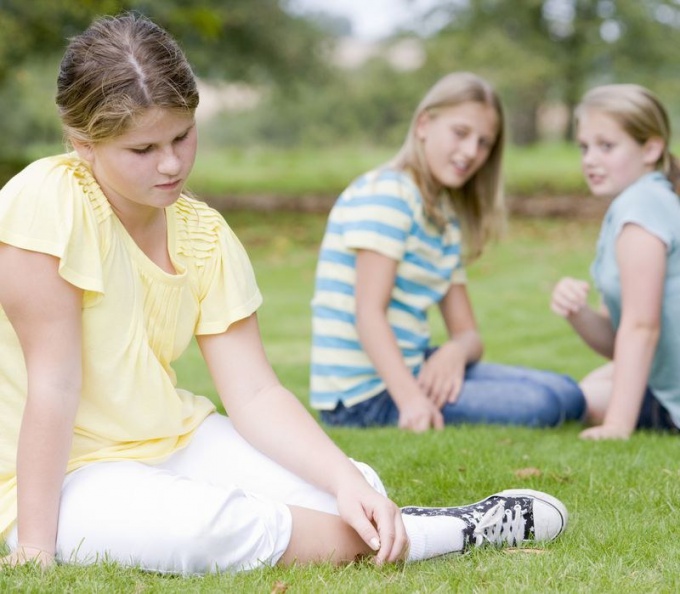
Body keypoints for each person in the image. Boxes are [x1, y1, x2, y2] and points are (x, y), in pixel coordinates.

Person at [0, 13, 569, 574]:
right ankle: (440, 531)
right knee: (202, 532)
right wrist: (35, 546)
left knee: (356, 485)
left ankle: (351, 524)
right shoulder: (48, 201)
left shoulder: (204, 233)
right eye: (143, 150)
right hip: (57, 475)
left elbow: (253, 393)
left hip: (173, 441)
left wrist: (343, 479)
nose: (172, 163)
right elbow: (54, 384)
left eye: (182, 135)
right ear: (83, 144)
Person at [310, 72, 585, 432]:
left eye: (484, 142)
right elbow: (368, 314)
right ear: (424, 124)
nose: (471, 152)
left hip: (413, 367)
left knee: (566, 392)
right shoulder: (388, 195)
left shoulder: (442, 217)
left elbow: (469, 335)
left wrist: (452, 352)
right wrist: (411, 401)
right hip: (365, 398)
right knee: (544, 404)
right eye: (461, 133)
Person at [551, 83, 680, 440]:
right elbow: (619, 335)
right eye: (584, 147)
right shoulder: (640, 200)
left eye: (606, 146)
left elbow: (642, 326)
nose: (590, 159)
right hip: (662, 377)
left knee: (573, 400)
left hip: (673, 400)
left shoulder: (642, 206)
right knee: (587, 386)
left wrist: (617, 425)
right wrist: (578, 312)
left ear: (651, 148)